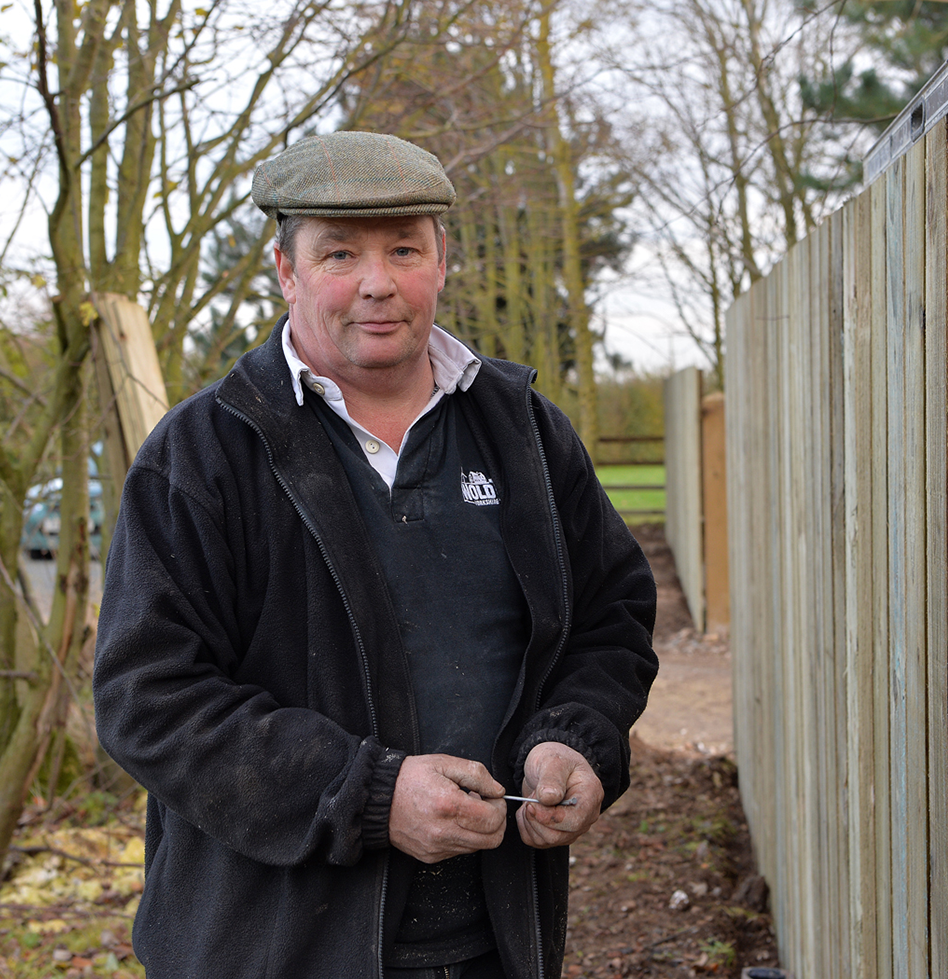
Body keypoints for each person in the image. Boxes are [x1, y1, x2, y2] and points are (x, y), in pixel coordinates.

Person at [93, 131, 658, 979]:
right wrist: (369, 796)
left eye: (404, 248)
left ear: (442, 257)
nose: (376, 283)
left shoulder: (526, 435)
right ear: (285, 270)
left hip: (495, 941)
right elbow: (148, 698)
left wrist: (572, 739)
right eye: (339, 254)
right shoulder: (204, 455)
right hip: (268, 949)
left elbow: (611, 619)